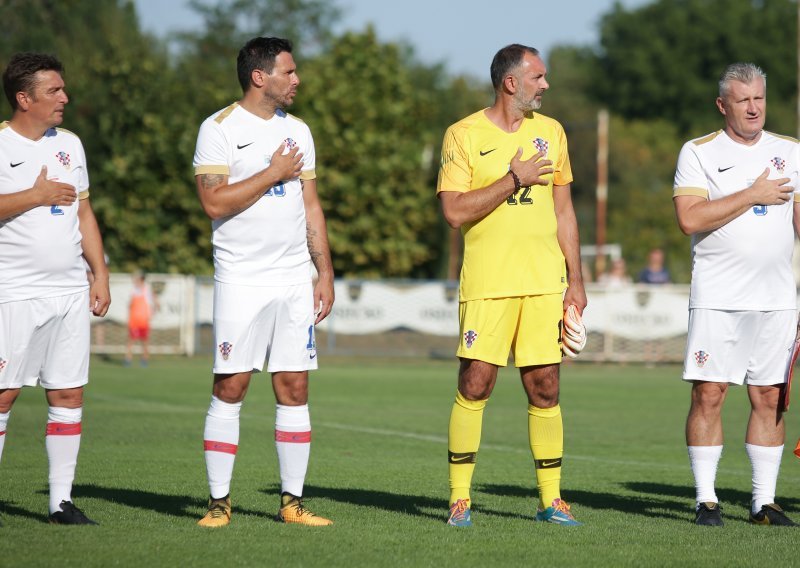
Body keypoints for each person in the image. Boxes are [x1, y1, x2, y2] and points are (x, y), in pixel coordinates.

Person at [437, 44, 587, 527]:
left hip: (545, 283)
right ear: (511, 83)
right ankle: (460, 498)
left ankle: (551, 500)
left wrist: (576, 281)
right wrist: (513, 179)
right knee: (475, 382)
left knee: (545, 388)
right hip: (487, 283)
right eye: (538, 77)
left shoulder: (553, 133)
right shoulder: (463, 134)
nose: (546, 85)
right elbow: (454, 212)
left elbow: (564, 211)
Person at [192, 36, 335, 528]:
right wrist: (273, 172)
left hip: (294, 278)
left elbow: (310, 206)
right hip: (241, 278)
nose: (297, 80)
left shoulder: (300, 130)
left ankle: (292, 503)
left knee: (294, 385)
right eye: (289, 72)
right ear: (260, 76)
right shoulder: (218, 129)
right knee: (230, 385)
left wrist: (324, 272)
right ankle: (219, 503)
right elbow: (213, 203)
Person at [673, 62, 799, 527]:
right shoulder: (699, 152)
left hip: (778, 299)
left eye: (760, 98)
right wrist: (753, 193)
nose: (754, 108)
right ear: (722, 105)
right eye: (744, 100)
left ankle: (763, 503)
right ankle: (706, 500)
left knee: (771, 397)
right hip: (718, 295)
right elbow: (690, 219)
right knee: (710, 394)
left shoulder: (791, 150)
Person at [0, 53, 110, 524]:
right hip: (13, 291)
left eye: (64, 89)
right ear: (24, 98)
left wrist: (99, 271)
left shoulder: (71, 144)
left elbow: (84, 213)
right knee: (2, 395)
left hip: (68, 291)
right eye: (54, 91)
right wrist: (36, 195)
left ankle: (60, 501)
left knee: (68, 395)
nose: (65, 97)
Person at [124, 272, 158, 367]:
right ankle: (128, 359)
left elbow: (155, 301)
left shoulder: (147, 289)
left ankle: (144, 359)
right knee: (131, 340)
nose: (135, 281)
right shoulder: (133, 290)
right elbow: (130, 305)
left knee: (144, 340)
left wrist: (154, 311)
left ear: (141, 279)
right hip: (134, 320)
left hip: (143, 320)